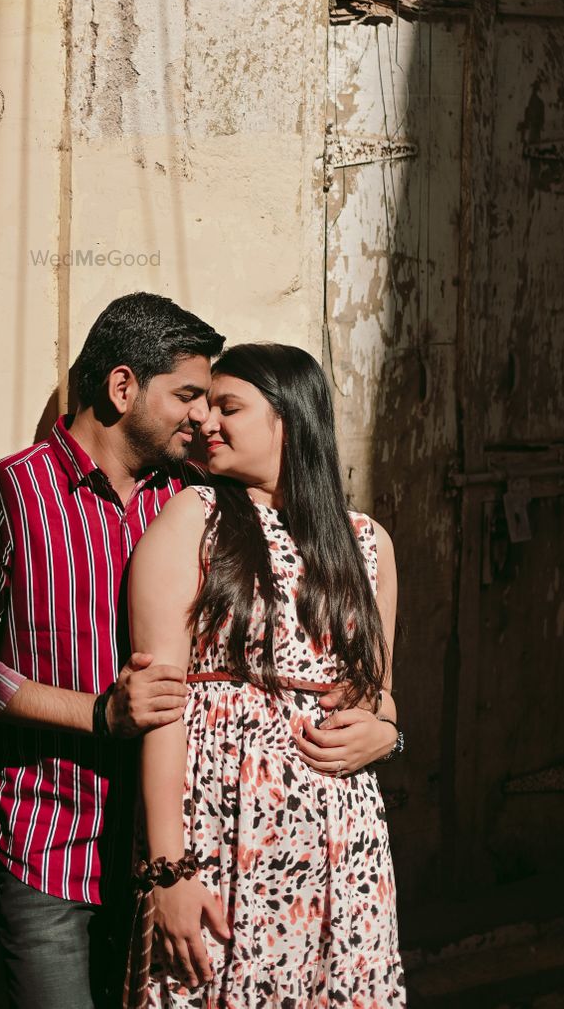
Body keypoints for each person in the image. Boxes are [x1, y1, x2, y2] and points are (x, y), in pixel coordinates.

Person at [0, 291, 226, 1009]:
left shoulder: (189, 500)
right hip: (46, 853)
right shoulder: (3, 498)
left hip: (161, 864)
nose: (203, 416)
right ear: (123, 386)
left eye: (210, 398)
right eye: (187, 393)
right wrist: (96, 712)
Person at [126, 343, 405, 1008]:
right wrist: (168, 872)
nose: (205, 423)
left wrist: (389, 734)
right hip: (223, 843)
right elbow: (161, 706)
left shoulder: (369, 542)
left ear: (290, 418)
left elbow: (381, 696)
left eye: (229, 406)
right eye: (201, 405)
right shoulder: (195, 517)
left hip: (342, 850)